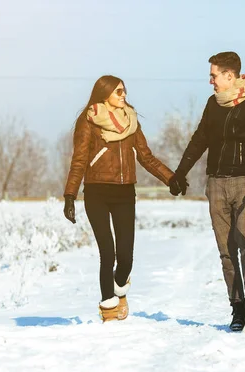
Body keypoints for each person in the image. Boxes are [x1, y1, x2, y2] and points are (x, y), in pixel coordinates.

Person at [169, 51, 245, 331]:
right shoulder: (213, 104)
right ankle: (238, 308)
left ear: (230, 76)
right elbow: (200, 138)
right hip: (216, 183)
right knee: (226, 251)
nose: (211, 81)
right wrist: (180, 172)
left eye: (214, 75)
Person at [63, 75, 181, 322]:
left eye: (124, 91)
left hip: (125, 193)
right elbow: (80, 160)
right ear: (104, 94)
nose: (123, 95)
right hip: (96, 192)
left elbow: (146, 157)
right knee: (107, 252)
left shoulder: (131, 121)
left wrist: (171, 178)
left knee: (125, 256)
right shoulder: (89, 122)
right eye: (118, 92)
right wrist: (70, 195)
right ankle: (108, 310)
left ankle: (119, 288)